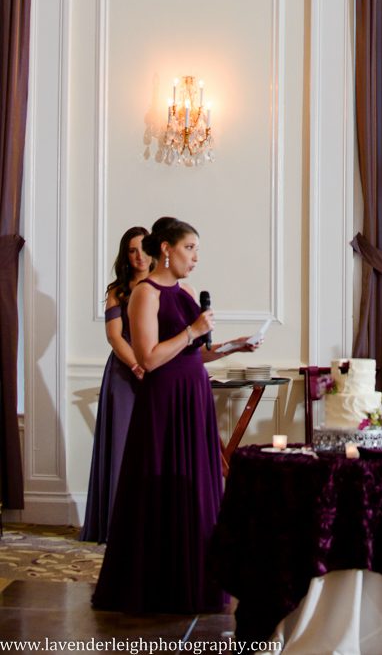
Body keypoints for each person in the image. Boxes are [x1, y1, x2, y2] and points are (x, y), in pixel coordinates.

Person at [93, 216, 260, 614]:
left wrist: (232, 347)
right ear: (166, 250)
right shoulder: (144, 295)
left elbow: (191, 354)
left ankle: (197, 581)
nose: (195, 257)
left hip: (193, 394)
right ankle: (158, 585)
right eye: (190, 248)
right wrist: (192, 331)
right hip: (164, 400)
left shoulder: (184, 292)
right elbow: (150, 359)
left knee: (195, 485)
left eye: (197, 249)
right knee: (159, 486)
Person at [81, 226, 152, 543]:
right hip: (124, 375)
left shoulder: (161, 288)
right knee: (121, 446)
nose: (139, 256)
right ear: (125, 255)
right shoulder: (118, 290)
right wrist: (136, 364)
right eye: (132, 250)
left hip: (156, 370)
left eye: (143, 249)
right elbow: (113, 335)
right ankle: (116, 526)